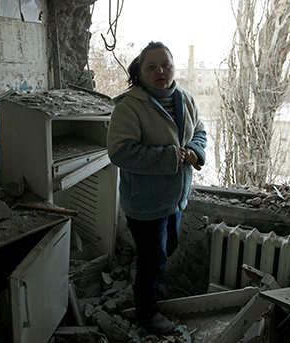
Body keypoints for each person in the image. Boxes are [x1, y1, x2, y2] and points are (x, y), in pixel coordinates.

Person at [107, 41, 207, 334]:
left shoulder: (185, 99)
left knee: (166, 249)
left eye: (165, 65)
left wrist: (194, 152)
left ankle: (145, 288)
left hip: (175, 199)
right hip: (145, 203)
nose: (160, 71)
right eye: (151, 67)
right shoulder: (129, 107)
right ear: (139, 72)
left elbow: (200, 131)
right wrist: (170, 158)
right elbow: (120, 152)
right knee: (152, 259)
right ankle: (147, 314)